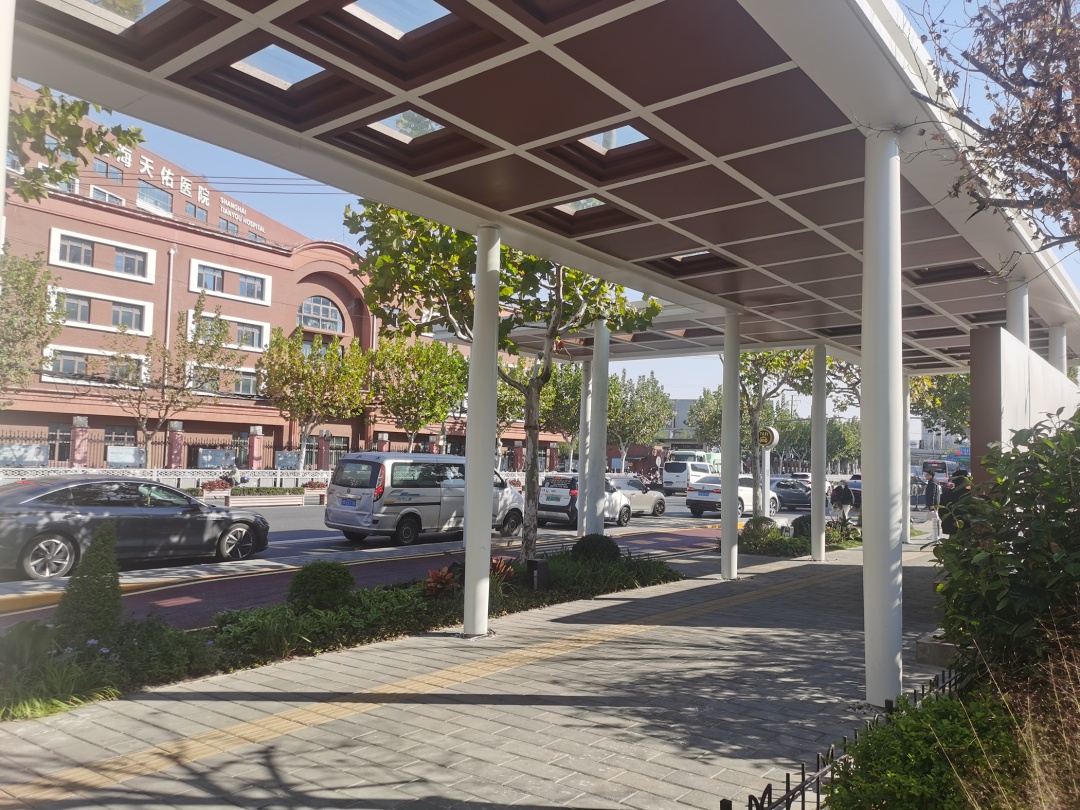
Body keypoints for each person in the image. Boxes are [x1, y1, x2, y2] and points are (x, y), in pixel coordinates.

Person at [939, 469, 972, 535]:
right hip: (967, 527)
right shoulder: (969, 494)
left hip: (951, 526)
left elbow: (941, 512)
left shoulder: (946, 494)